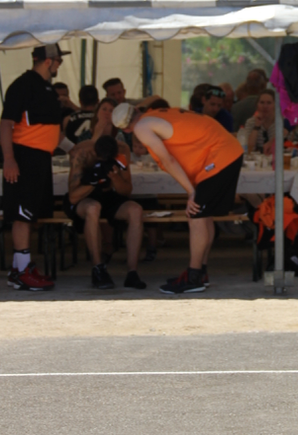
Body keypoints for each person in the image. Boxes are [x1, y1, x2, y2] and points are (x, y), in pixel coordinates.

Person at [112, 101, 243, 294]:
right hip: (225, 150)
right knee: (203, 215)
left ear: (126, 130)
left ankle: (194, 276)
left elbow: (168, 160)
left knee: (195, 214)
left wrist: (191, 192)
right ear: (137, 109)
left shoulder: (141, 127)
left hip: (219, 155)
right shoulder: (157, 113)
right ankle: (200, 272)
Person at [0, 44, 72, 291]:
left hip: (41, 158)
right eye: (59, 60)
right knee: (22, 214)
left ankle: (21, 268)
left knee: (31, 214)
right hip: (24, 156)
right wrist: (9, 159)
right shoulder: (23, 85)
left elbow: (51, 130)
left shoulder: (47, 89)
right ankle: (22, 271)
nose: (60, 65)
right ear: (48, 61)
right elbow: (6, 123)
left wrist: (74, 149)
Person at [66, 133, 146, 290]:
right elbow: (73, 197)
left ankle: (132, 272)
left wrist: (115, 178)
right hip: (85, 198)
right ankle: (98, 268)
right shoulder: (82, 154)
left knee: (136, 210)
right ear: (95, 153)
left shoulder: (121, 153)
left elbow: (126, 191)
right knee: (93, 208)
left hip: (108, 197)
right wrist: (94, 180)